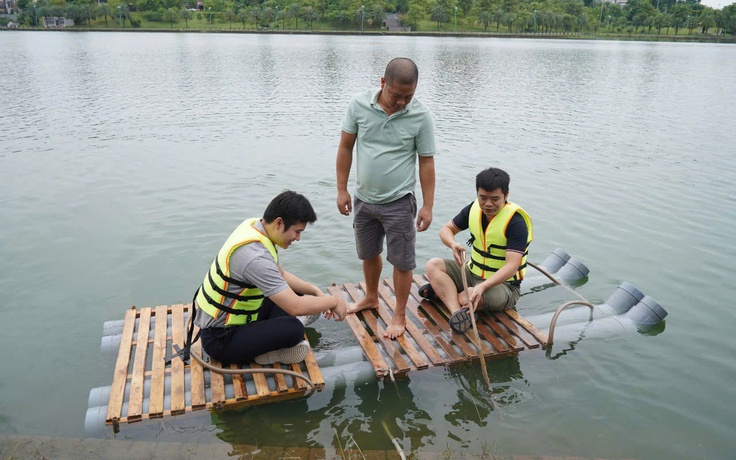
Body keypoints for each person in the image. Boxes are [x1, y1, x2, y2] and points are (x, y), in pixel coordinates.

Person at [336, 57, 436, 339]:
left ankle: (400, 314)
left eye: (409, 96)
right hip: (363, 198)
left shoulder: (421, 116)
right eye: (396, 95)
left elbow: (426, 162)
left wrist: (428, 206)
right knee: (368, 253)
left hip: (400, 201)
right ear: (383, 83)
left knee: (402, 261)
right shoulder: (358, 105)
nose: (402, 102)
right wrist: (341, 189)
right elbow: (345, 147)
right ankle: (371, 297)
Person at [193, 190, 347, 365]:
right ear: (279, 223)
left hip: (235, 318)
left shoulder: (254, 227)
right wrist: (334, 301)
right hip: (221, 340)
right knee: (294, 329)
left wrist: (316, 291)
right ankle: (271, 353)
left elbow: (280, 274)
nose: (298, 238)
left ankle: (285, 326)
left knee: (297, 293)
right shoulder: (255, 257)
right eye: (297, 232)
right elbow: (295, 306)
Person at [422, 167, 533, 334]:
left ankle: (445, 292)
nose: (488, 204)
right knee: (433, 265)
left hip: (503, 287)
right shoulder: (473, 209)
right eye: (483, 198)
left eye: (495, 199)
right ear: (477, 194)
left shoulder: (516, 223)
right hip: (472, 273)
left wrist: (482, 287)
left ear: (506, 195)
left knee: (466, 296)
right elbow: (445, 230)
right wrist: (453, 244)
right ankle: (457, 313)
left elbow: (512, 266)